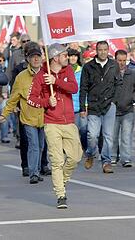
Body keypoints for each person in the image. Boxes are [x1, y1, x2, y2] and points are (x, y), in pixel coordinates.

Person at [27, 44, 81, 209]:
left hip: (69, 122)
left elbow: (73, 88)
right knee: (57, 161)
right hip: (52, 123)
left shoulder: (69, 71)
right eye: (65, 55)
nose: (68, 57)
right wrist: (46, 102)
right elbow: (31, 99)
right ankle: (60, 194)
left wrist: (56, 81)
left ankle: (61, 180)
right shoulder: (41, 75)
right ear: (55, 57)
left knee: (75, 157)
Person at [0, 42, 49, 183]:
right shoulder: (21, 77)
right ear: (27, 59)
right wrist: (5, 113)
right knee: (33, 145)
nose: (36, 59)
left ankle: (37, 170)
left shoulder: (47, 75)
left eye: (38, 56)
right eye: (33, 57)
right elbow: (13, 97)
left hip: (44, 117)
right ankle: (33, 173)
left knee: (40, 146)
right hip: (28, 117)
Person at [79, 41, 118, 173]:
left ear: (108, 50)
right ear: (96, 50)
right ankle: (90, 153)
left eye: (105, 50)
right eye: (100, 50)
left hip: (109, 105)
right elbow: (83, 88)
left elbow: (119, 83)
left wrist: (114, 100)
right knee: (92, 135)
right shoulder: (88, 66)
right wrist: (82, 108)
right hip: (93, 105)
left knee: (108, 136)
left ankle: (106, 161)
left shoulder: (113, 65)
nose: (102, 52)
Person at [111, 49, 135, 167]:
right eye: (119, 60)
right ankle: (113, 156)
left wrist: (133, 99)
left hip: (128, 109)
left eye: (124, 60)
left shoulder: (132, 74)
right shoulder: (111, 74)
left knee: (126, 135)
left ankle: (126, 158)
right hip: (113, 110)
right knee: (113, 136)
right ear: (115, 60)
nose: (122, 63)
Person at [67, 48, 87, 152]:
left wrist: (86, 105)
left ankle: (85, 147)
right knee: (72, 131)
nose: (73, 58)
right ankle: (75, 149)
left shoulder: (82, 70)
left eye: (75, 56)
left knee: (83, 129)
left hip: (80, 106)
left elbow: (85, 88)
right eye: (71, 56)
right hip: (68, 106)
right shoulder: (64, 70)